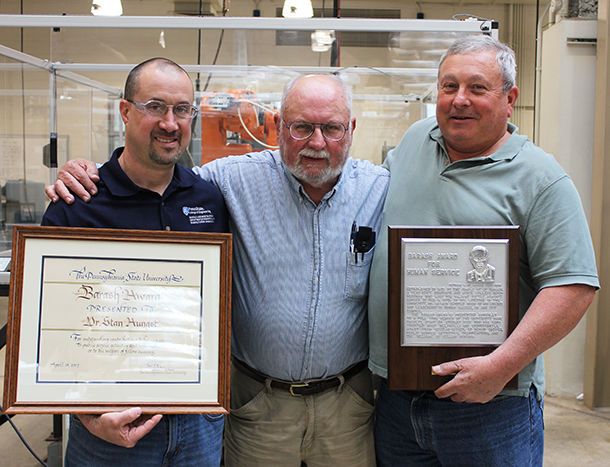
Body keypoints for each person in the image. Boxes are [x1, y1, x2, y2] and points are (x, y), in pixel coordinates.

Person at [46, 73, 389, 466]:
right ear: (278, 126)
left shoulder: (379, 187)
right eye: (301, 127)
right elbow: (154, 169)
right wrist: (85, 170)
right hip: (258, 405)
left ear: (351, 129)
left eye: (331, 128)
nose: (316, 142)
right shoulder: (226, 182)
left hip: (346, 406)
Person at [368, 35, 599, 466]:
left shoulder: (541, 178)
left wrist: (499, 366)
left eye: (477, 88)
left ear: (509, 99)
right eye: (448, 86)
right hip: (397, 402)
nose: (459, 100)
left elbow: (572, 286)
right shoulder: (417, 140)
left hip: (490, 408)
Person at [42, 57, 228, 467]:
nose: (170, 123)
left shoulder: (208, 201)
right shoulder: (77, 204)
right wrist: (88, 416)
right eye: (155, 107)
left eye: (182, 110)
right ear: (125, 111)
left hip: (197, 424)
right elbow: (50, 337)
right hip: (109, 431)